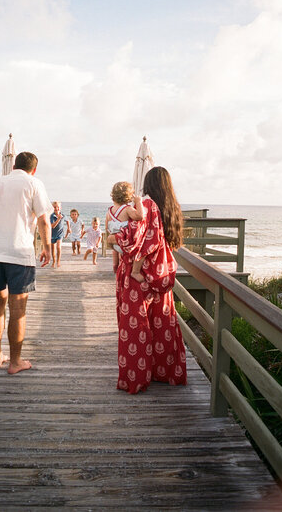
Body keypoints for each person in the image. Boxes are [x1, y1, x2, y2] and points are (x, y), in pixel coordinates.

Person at [107, 166, 187, 394]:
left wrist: (112, 237)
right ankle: (164, 373)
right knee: (162, 324)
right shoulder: (171, 208)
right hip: (160, 274)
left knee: (136, 330)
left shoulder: (149, 205)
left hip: (138, 275)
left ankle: (136, 379)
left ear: (149, 184)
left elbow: (136, 240)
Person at [0, 151, 53, 375]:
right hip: (18, 252)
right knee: (18, 308)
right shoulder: (33, 183)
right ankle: (15, 362)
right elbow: (43, 218)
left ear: (14, 165)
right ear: (34, 169)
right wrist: (47, 248)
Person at [105, 181, 144, 279]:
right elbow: (139, 216)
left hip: (115, 244)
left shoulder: (109, 211)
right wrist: (139, 202)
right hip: (125, 243)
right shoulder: (127, 209)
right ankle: (135, 271)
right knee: (142, 249)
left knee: (116, 250)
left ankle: (115, 265)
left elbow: (107, 228)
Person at [50, 201, 70, 268]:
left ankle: (58, 261)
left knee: (58, 247)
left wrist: (68, 228)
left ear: (60, 208)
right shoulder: (51, 216)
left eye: (58, 207)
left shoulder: (63, 215)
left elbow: (67, 220)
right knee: (53, 249)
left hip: (60, 234)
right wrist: (58, 219)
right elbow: (52, 226)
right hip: (52, 235)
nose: (56, 208)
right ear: (52, 208)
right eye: (55, 207)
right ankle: (54, 261)